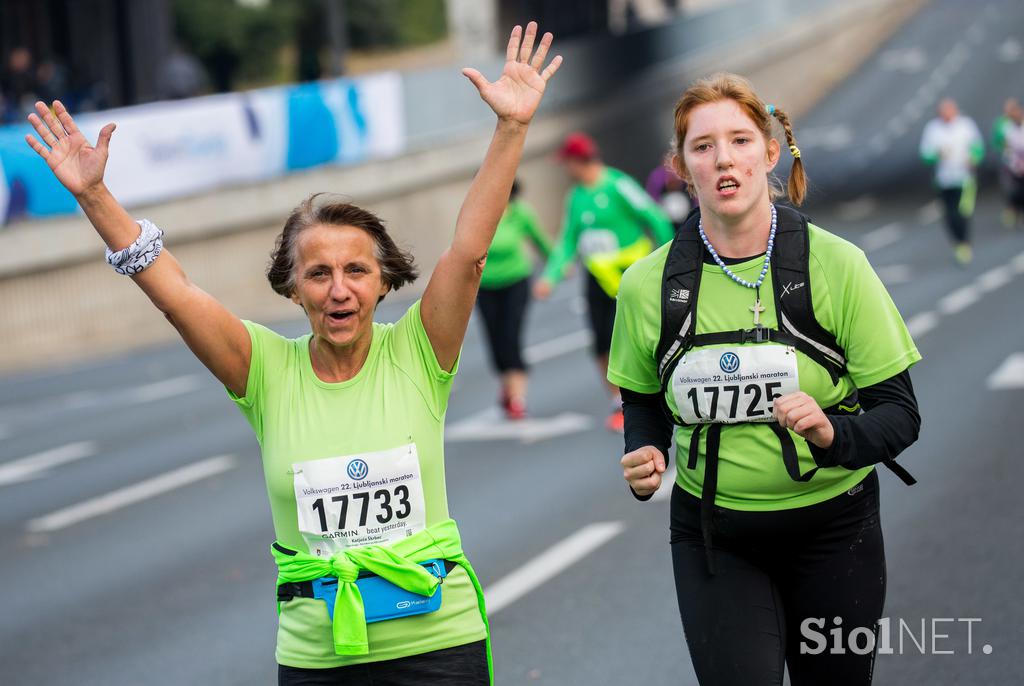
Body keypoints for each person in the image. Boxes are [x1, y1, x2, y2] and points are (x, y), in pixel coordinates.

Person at [25, 22, 561, 685]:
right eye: (318, 274)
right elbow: (177, 295)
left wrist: (511, 129)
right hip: (318, 658)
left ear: (384, 282)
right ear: (293, 289)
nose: (339, 290)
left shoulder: (419, 352)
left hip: (438, 647)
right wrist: (95, 197)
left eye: (357, 272)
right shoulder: (265, 371)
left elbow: (470, 251)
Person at [608, 73, 921, 686]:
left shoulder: (837, 265)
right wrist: (643, 452)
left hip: (836, 531)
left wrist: (834, 433)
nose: (723, 158)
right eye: (703, 146)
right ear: (680, 166)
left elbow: (900, 413)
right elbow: (643, 399)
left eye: (740, 141)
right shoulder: (648, 285)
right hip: (715, 538)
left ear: (769, 153)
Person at [534, 132, 674, 432]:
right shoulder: (576, 197)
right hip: (598, 276)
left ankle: (655, 391)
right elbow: (568, 239)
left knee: (642, 337)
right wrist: (551, 275)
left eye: (566, 163)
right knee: (601, 341)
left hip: (631, 275)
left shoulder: (617, 184)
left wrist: (671, 257)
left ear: (577, 161)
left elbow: (655, 216)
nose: (565, 169)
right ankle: (619, 402)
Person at [476, 178, 552, 419]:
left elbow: (539, 240)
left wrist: (556, 266)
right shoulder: (480, 214)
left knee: (511, 336)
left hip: (516, 281)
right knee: (495, 342)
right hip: (485, 286)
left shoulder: (521, 213)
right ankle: (507, 387)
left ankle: (518, 398)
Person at [919, 98, 984, 264]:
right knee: (949, 216)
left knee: (961, 213)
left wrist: (973, 158)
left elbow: (978, 146)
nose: (946, 115)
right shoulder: (932, 129)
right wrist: (937, 155)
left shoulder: (965, 125)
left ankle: (965, 244)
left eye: (949, 111)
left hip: (964, 179)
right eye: (943, 112)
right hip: (943, 180)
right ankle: (958, 244)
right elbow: (925, 155)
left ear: (955, 111)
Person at [991, 97, 1024, 228]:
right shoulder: (1004, 126)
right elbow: (999, 143)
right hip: (1012, 164)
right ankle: (1014, 208)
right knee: (1015, 190)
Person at [645, 161, 692, 231]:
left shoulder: (687, 179)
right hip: (664, 222)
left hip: (685, 222)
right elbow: (650, 203)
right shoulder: (657, 178)